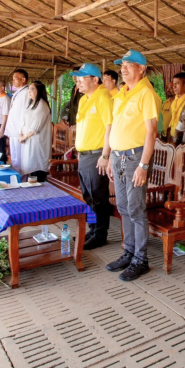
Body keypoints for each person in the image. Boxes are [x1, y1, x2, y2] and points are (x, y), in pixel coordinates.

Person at [105, 49, 158, 282]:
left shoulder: (146, 93)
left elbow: (151, 131)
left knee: (136, 208)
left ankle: (141, 259)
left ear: (142, 68)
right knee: (124, 206)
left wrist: (143, 166)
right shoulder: (121, 94)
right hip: (118, 157)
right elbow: (114, 128)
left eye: (129, 64)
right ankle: (129, 251)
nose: (123, 68)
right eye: (122, 65)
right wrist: (108, 157)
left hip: (136, 158)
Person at [72, 63, 114, 250]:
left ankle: (100, 234)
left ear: (95, 80)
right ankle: (93, 228)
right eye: (78, 78)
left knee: (98, 196)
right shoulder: (84, 99)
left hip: (97, 154)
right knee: (88, 195)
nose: (78, 82)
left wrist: (106, 155)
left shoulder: (104, 97)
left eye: (83, 78)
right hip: (84, 155)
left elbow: (110, 127)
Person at [19, 81, 52, 182]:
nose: (29, 91)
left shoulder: (42, 105)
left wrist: (24, 137)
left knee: (37, 169)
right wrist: (20, 133)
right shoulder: (31, 104)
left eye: (32, 89)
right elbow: (23, 122)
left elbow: (35, 127)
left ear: (39, 91)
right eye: (29, 89)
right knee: (30, 169)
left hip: (37, 143)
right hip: (28, 141)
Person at [5, 69, 29, 174]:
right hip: (13, 130)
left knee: (20, 159)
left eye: (15, 78)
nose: (13, 81)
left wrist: (22, 131)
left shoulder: (27, 92)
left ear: (23, 79)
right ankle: (17, 179)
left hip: (20, 131)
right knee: (14, 159)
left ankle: (22, 180)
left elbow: (25, 114)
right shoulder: (17, 93)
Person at [161, 72, 185, 140]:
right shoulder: (174, 101)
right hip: (173, 137)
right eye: (173, 84)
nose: (174, 87)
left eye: (177, 84)